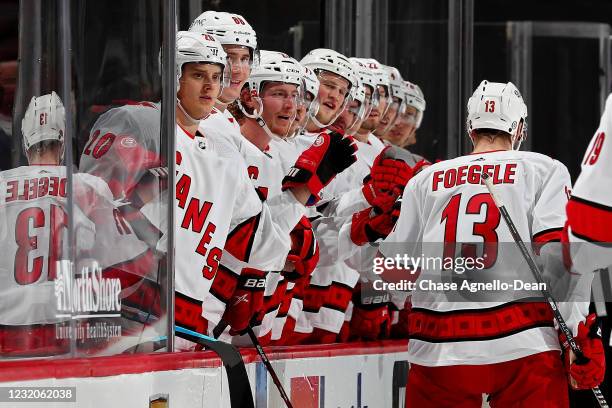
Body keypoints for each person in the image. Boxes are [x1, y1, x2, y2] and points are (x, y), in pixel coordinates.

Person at [380, 80, 599, 406]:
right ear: (519, 126)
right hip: (523, 344)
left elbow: (394, 274)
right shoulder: (544, 169)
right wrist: (577, 333)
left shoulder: (425, 179)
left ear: (471, 128)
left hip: (438, 347)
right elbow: (558, 259)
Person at [0, 92, 143, 356]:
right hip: (69, 334)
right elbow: (131, 266)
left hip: (7, 336)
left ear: (24, 141)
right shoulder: (88, 186)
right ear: (64, 140)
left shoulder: (0, 186)